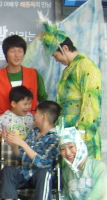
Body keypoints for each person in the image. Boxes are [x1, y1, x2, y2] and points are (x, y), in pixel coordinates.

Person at [0, 101, 61, 200]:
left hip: (40, 178)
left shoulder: (54, 138)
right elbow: (20, 156)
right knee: (8, 170)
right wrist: (14, 145)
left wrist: (22, 143)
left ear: (43, 117)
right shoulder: (34, 132)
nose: (33, 115)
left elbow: (43, 163)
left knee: (44, 173)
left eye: (36, 112)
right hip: (24, 173)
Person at [43, 25, 103, 159]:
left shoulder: (87, 66)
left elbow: (91, 101)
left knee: (85, 168)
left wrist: (83, 132)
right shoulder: (68, 70)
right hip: (67, 131)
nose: (56, 60)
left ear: (64, 48)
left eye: (56, 55)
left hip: (81, 132)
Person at [0, 34, 48, 134]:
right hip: (6, 127)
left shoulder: (33, 74)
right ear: (5, 53)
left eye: (20, 51)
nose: (17, 55)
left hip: (31, 126)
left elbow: (43, 99)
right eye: (13, 51)